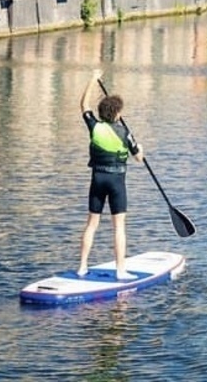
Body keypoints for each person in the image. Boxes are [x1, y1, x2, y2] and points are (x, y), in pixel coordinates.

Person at [78, 69, 144, 279]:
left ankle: (82, 266)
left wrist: (93, 80)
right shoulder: (125, 134)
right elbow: (139, 157)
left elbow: (83, 105)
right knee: (119, 227)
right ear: (117, 114)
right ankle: (121, 271)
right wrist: (140, 147)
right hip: (116, 183)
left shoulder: (94, 127)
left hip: (97, 180)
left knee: (91, 224)